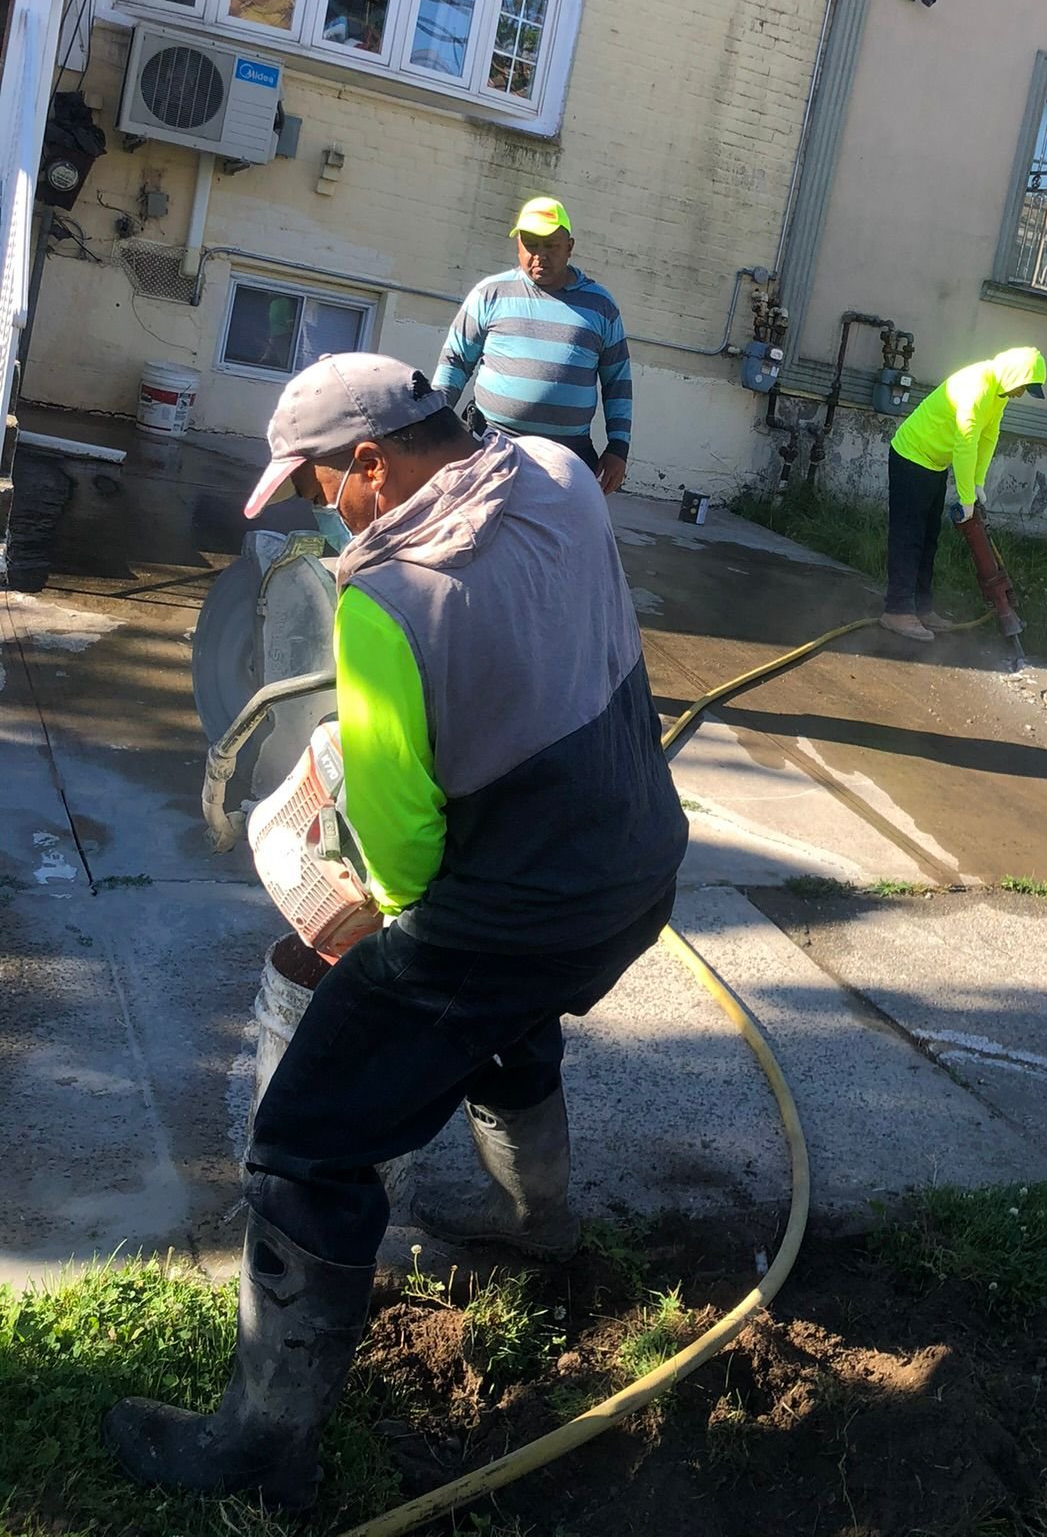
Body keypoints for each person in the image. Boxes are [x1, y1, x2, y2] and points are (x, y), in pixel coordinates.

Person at [106, 355, 687, 1508]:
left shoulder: (383, 605)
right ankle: (538, 1218)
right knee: (504, 1011)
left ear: (372, 460)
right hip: (637, 869)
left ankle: (262, 1448)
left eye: (323, 485)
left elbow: (409, 860)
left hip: (524, 908)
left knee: (310, 1137)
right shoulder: (566, 474)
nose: (325, 511)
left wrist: (346, 850)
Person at [434, 195, 632, 494]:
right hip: (491, 446)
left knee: (560, 539)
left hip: (568, 457)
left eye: (551, 245)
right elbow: (455, 362)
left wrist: (618, 446)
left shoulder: (600, 305)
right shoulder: (489, 294)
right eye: (531, 244)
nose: (540, 255)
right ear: (518, 245)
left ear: (570, 247)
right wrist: (435, 426)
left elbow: (618, 381)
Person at [881, 346, 1047, 642]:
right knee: (909, 537)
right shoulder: (977, 385)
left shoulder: (999, 393)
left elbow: (989, 435)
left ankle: (922, 607)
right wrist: (966, 497)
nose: (1021, 393)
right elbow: (966, 442)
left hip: (933, 463)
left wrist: (978, 483)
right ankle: (897, 610)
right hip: (911, 457)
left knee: (929, 540)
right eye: (1023, 386)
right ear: (1013, 376)